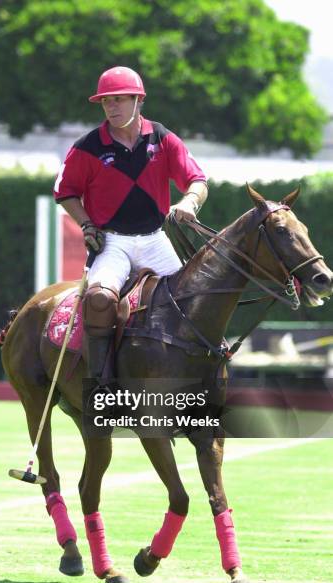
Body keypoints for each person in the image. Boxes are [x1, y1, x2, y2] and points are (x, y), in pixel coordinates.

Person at [53, 66, 208, 388]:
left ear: (138, 100)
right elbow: (65, 192)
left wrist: (189, 203)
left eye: (119, 99)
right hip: (112, 243)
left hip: (155, 240)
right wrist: (86, 224)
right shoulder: (87, 146)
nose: (112, 107)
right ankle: (100, 381)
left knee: (194, 300)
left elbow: (196, 179)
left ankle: (203, 373)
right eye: (106, 101)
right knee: (99, 300)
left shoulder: (163, 138)